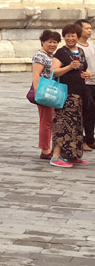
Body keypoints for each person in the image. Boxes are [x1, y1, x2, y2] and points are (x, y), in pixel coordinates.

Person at [49, 24, 90, 167]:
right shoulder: (61, 52)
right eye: (67, 35)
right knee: (63, 125)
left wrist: (87, 74)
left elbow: (83, 70)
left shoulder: (81, 52)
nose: (70, 38)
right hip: (65, 94)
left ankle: (72, 154)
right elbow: (53, 72)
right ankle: (56, 156)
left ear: (78, 37)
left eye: (73, 35)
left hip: (79, 94)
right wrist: (69, 67)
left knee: (76, 125)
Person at [31, 30, 61, 160]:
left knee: (50, 120)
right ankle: (45, 148)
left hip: (51, 91)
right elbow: (36, 75)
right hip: (44, 92)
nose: (52, 44)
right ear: (43, 42)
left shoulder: (51, 56)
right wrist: (38, 92)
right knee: (46, 121)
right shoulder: (40, 56)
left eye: (55, 42)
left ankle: (48, 146)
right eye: (50, 42)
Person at [74, 19, 95, 151]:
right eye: (86, 28)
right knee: (86, 111)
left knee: (92, 112)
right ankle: (83, 140)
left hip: (94, 83)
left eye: (90, 28)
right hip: (84, 84)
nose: (89, 30)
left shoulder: (92, 46)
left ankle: (90, 138)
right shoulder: (76, 48)